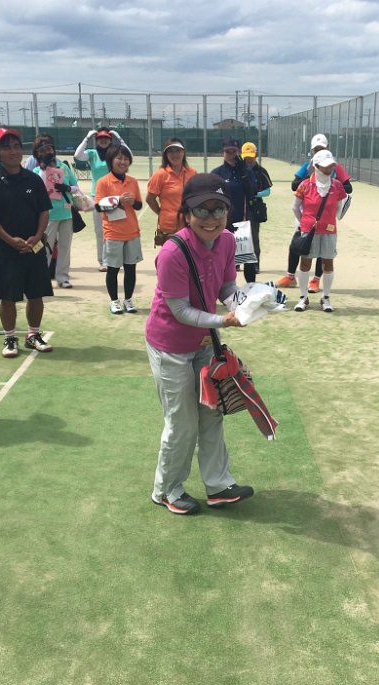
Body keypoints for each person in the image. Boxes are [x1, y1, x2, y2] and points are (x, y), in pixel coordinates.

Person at [145, 173, 254, 515]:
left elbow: (226, 288)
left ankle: (218, 485)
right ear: (186, 215)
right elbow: (180, 311)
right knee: (182, 422)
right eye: (201, 210)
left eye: (218, 209)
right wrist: (224, 320)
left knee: (211, 413)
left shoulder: (227, 241)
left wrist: (249, 304)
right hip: (170, 345)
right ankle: (167, 490)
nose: (211, 218)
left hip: (204, 342)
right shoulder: (172, 253)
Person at [0, 128, 53, 357]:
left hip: (34, 248)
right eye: (6, 148)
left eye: (16, 146)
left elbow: (44, 211)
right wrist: (10, 240)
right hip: (5, 250)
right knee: (8, 297)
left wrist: (38, 235)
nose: (13, 152)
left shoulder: (33, 179)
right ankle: (10, 338)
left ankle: (33, 335)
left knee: (36, 294)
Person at [276, 133, 352, 292]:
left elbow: (348, 187)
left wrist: (330, 184)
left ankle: (316, 280)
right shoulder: (308, 165)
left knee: (323, 250)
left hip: (325, 216)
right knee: (298, 244)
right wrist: (309, 175)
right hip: (306, 214)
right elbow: (294, 185)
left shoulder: (336, 167)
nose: (319, 151)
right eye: (316, 149)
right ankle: (290, 276)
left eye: (321, 148)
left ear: (328, 148)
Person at [292, 149, 348, 313]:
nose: (329, 168)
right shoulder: (305, 185)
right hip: (309, 230)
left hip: (329, 231)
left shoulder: (337, 186)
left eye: (331, 165)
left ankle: (326, 297)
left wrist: (329, 220)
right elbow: (295, 207)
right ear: (316, 166)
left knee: (328, 263)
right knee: (305, 262)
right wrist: (305, 222)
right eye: (325, 165)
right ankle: (303, 297)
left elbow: (339, 206)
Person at [94, 144, 143, 315]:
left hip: (132, 232)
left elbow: (139, 205)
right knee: (113, 269)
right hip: (113, 232)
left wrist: (132, 202)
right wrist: (118, 200)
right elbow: (98, 206)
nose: (123, 162)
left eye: (126, 159)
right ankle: (114, 301)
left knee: (130, 269)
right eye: (119, 158)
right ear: (111, 160)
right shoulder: (103, 182)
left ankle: (128, 300)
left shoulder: (132, 181)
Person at [74, 127, 131, 271]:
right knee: (100, 231)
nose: (103, 140)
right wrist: (87, 138)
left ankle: (116, 259)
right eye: (100, 138)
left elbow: (129, 156)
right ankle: (103, 261)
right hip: (97, 197)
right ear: (96, 140)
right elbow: (77, 155)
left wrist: (119, 138)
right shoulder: (92, 154)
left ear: (110, 140)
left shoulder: (116, 154)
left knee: (116, 230)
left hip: (115, 196)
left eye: (106, 138)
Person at [32, 134, 80, 289]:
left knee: (65, 247)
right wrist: (44, 168)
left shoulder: (63, 167)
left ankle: (63, 277)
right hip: (48, 215)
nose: (47, 152)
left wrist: (67, 188)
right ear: (37, 153)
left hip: (66, 213)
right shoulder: (36, 170)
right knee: (45, 248)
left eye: (49, 148)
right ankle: (41, 278)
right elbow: (37, 187)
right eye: (43, 150)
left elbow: (76, 187)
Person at [211, 138, 258, 283]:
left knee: (247, 260)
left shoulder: (246, 172)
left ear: (238, 153)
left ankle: (251, 288)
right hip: (221, 222)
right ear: (223, 153)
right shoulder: (217, 173)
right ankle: (221, 288)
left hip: (241, 222)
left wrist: (244, 174)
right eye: (228, 151)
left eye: (234, 151)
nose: (231, 154)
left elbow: (252, 192)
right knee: (222, 259)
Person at [145, 137, 197, 245]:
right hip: (169, 227)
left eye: (178, 150)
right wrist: (161, 213)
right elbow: (150, 199)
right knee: (171, 255)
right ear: (166, 155)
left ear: (183, 152)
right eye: (171, 151)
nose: (175, 154)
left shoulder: (192, 173)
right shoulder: (160, 174)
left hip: (190, 224)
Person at [241, 141, 272, 275]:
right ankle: (237, 263)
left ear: (256, 155)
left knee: (254, 237)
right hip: (240, 206)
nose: (249, 159)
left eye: (251, 156)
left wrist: (255, 194)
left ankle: (255, 265)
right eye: (246, 156)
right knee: (239, 236)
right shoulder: (238, 170)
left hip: (254, 208)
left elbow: (267, 191)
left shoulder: (261, 171)